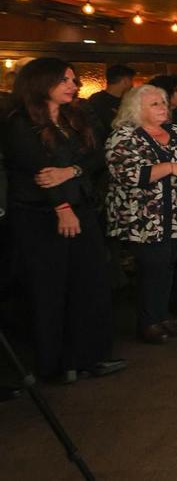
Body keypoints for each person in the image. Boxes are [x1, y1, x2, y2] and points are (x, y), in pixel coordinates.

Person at [1, 58, 126, 382]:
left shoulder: (75, 116)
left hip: (80, 207)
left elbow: (96, 155)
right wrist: (62, 208)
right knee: (50, 289)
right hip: (40, 216)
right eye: (65, 80)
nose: (74, 85)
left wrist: (72, 170)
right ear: (42, 82)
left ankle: (89, 356)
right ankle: (54, 365)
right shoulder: (19, 122)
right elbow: (40, 174)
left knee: (90, 283)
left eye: (74, 79)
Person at [107, 84, 177, 343]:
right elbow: (128, 174)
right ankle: (148, 322)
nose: (163, 107)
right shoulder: (124, 136)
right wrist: (172, 167)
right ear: (136, 108)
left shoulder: (176, 131)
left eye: (164, 103)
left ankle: (162, 315)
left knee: (168, 266)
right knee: (152, 268)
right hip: (144, 218)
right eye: (155, 104)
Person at [87, 64, 135, 141]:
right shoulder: (97, 101)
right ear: (125, 81)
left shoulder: (127, 101)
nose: (132, 84)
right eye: (131, 80)